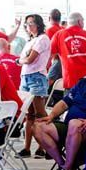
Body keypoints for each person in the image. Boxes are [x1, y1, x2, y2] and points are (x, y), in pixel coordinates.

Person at [16, 14, 51, 157]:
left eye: (31, 23)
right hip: (26, 77)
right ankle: (27, 148)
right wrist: (23, 60)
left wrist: (20, 60)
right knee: (29, 114)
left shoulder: (43, 39)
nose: (29, 26)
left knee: (41, 114)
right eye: (27, 24)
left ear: (38, 24)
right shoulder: (31, 40)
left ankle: (46, 146)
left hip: (36, 76)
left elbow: (30, 59)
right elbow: (27, 58)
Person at [49, 12, 86, 90]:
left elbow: (49, 55)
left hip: (69, 81)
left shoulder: (58, 35)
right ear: (79, 22)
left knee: (69, 102)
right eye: (83, 21)